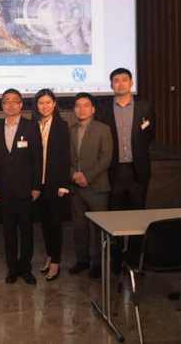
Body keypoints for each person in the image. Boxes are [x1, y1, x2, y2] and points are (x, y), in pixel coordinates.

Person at [0, 89, 42, 285]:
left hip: (26, 189)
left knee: (26, 231)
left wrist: (36, 186)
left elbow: (37, 159)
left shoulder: (31, 126)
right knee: (8, 231)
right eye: (6, 102)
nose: (10, 105)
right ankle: (12, 268)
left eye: (14, 101)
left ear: (21, 105)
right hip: (4, 189)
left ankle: (25, 268)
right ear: (2, 105)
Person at [97, 68, 155, 211]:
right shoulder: (103, 109)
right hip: (112, 169)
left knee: (138, 211)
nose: (121, 84)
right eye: (116, 81)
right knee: (114, 213)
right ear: (111, 85)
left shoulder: (145, 107)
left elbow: (150, 134)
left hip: (137, 169)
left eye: (125, 80)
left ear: (131, 83)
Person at [68, 92, 112, 278]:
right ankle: (82, 261)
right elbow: (65, 158)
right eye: (78, 105)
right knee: (79, 227)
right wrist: (74, 175)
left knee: (98, 229)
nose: (82, 109)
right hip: (76, 187)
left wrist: (87, 176)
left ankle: (98, 264)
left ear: (93, 109)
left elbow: (106, 158)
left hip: (97, 186)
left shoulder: (103, 129)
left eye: (86, 105)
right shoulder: (70, 130)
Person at [33, 88, 71, 282]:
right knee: (45, 222)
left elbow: (66, 156)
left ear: (54, 104)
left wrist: (63, 184)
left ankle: (56, 261)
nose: (45, 106)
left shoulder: (62, 126)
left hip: (56, 184)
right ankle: (49, 256)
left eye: (48, 102)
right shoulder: (33, 125)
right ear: (36, 105)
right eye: (41, 103)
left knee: (55, 223)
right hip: (38, 184)